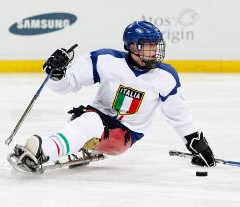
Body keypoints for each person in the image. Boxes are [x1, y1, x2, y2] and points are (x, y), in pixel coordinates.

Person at [12, 21, 216, 172]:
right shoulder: (105, 59)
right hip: (96, 116)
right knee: (87, 120)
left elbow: (178, 115)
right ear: (132, 46)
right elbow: (67, 84)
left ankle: (44, 151)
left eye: (156, 45)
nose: (154, 51)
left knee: (90, 122)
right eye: (147, 46)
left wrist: (197, 144)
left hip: (125, 134)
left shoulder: (165, 76)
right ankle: (74, 143)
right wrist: (57, 74)